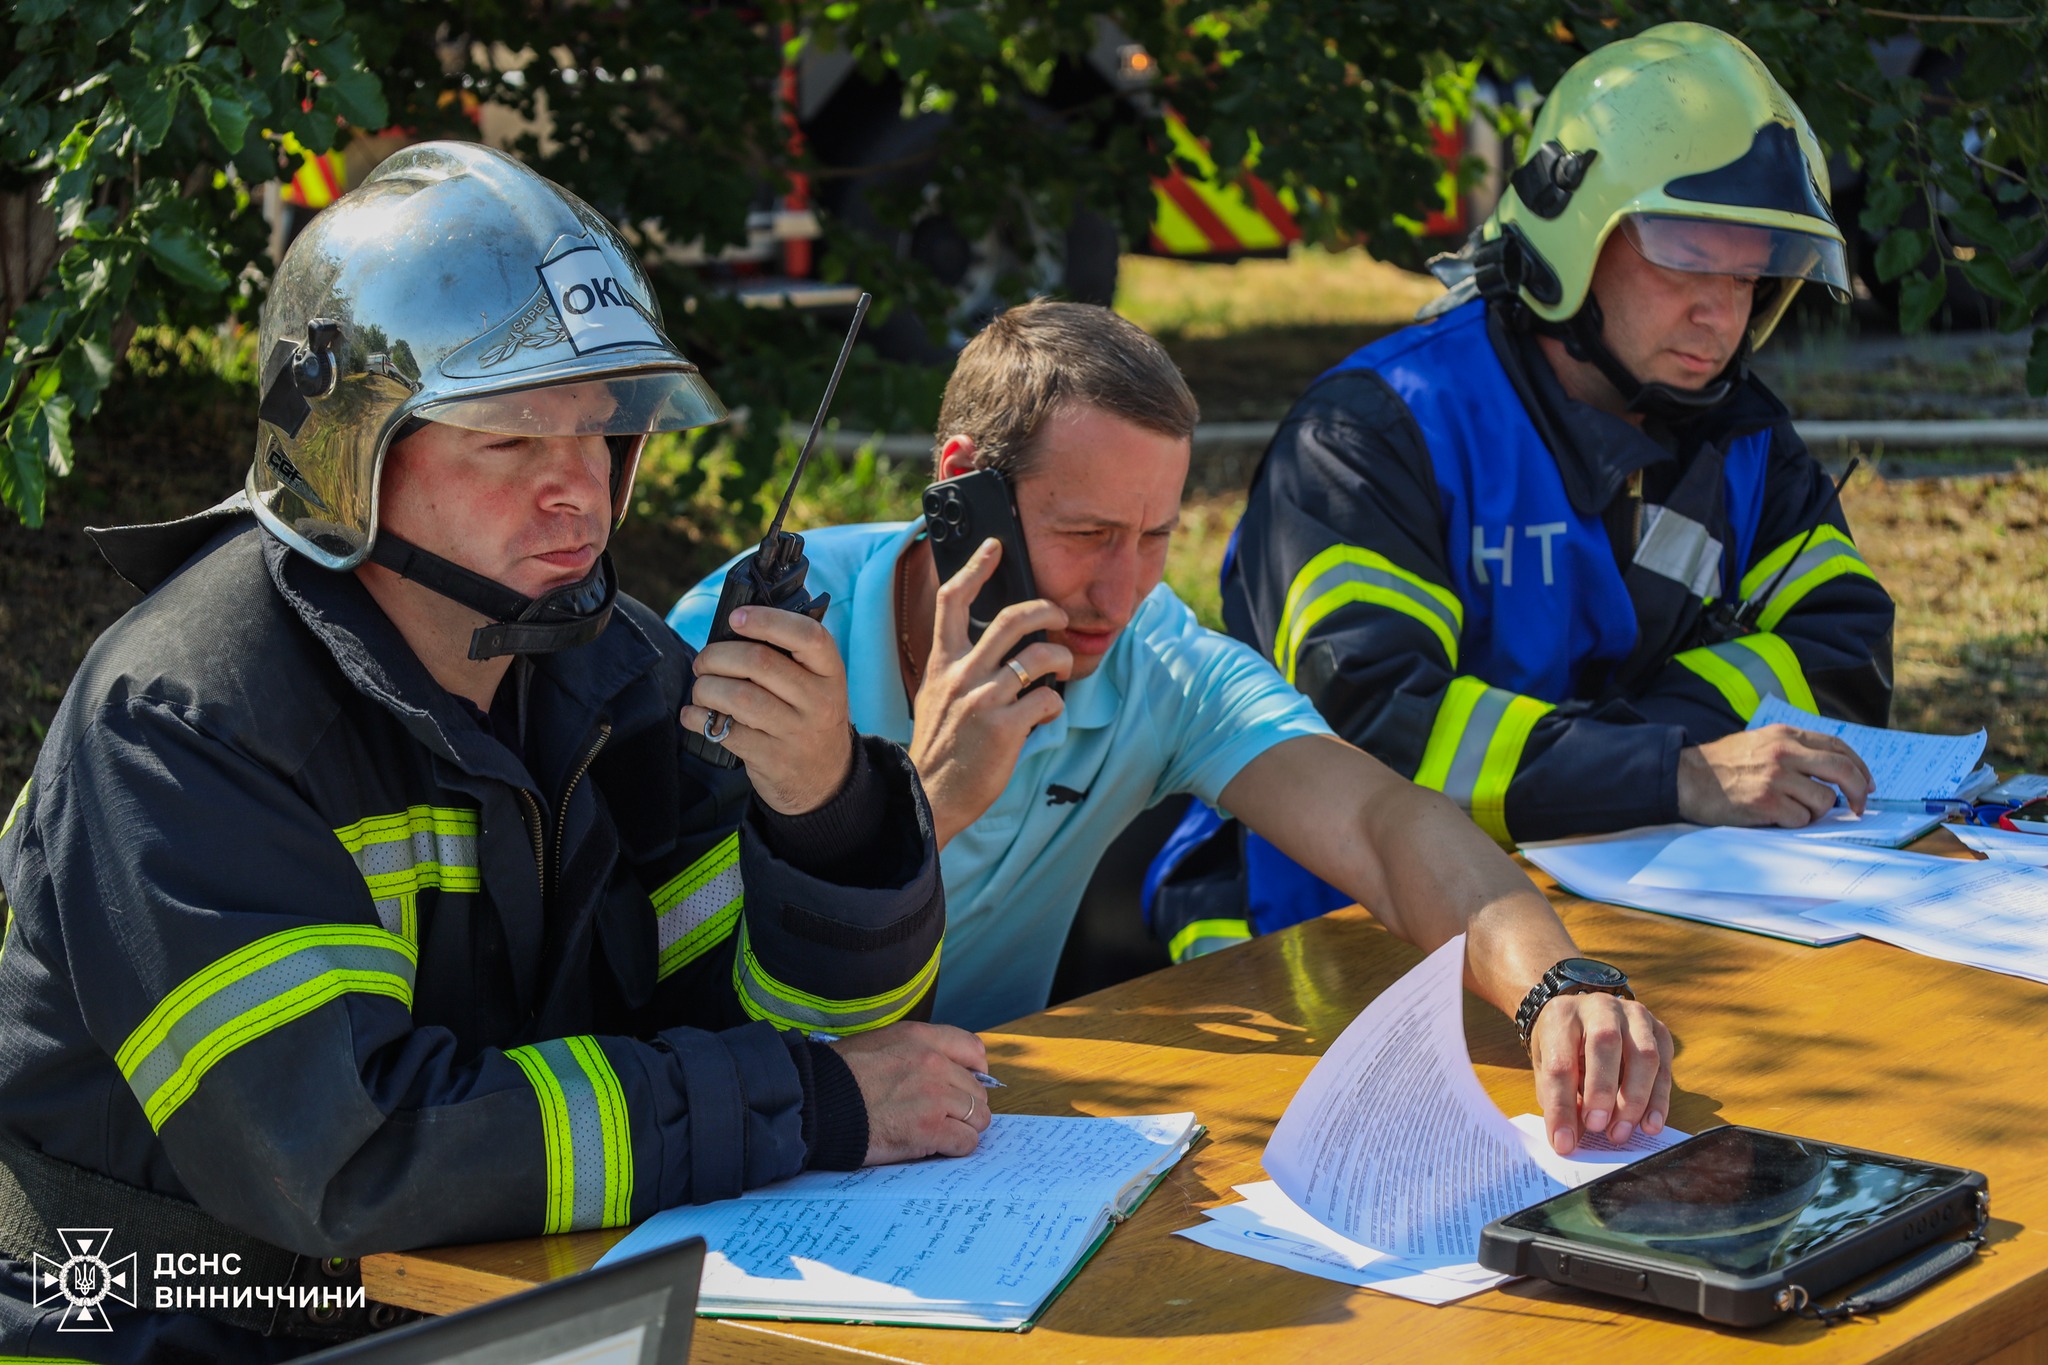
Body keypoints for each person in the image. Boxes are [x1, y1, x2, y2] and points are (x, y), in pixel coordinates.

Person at [0, 143, 986, 1361]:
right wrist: (807, 1108)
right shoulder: (187, 721)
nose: (579, 493)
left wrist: (824, 816)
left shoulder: (615, 674)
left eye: (605, 434)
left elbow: (811, 1034)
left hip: (495, 1301)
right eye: (512, 442)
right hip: (171, 1327)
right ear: (343, 453)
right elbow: (351, 1160)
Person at [672, 298, 1676, 1169]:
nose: (1123, 591)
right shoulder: (758, 639)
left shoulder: (1155, 657)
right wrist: (926, 804)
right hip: (758, 1143)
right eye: (1087, 536)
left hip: (987, 1145)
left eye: (1156, 537)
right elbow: (665, 981)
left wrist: (1558, 985)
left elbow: (1381, 823)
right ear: (958, 486)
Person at [1170, 23, 1898, 932]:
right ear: (1572, 237)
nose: (1723, 310)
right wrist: (1674, 769)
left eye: (1755, 272)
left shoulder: (1739, 437)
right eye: (1691, 254)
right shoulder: (1373, 434)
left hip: (1622, 904)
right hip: (1325, 942)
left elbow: (1845, 648)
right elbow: (1375, 731)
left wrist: (1630, 758)